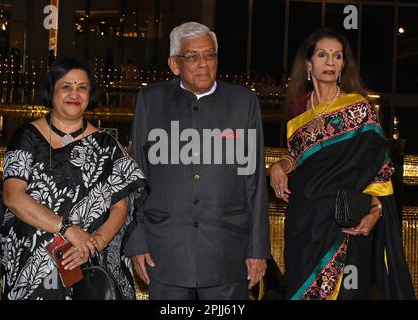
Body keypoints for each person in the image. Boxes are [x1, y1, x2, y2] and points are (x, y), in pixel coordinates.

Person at [126, 21, 271, 300]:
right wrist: (137, 240)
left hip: (227, 251)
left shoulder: (243, 102)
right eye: (192, 56)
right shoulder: (150, 100)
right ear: (174, 63)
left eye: (210, 55)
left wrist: (257, 249)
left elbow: (254, 182)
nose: (203, 64)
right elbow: (136, 177)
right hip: (164, 250)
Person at [270, 28, 415, 300]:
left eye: (337, 56)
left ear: (343, 64)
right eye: (322, 55)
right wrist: (280, 165)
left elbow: (379, 169)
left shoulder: (359, 109)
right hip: (304, 222)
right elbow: (298, 156)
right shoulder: (299, 112)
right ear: (309, 63)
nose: (330, 62)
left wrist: (375, 210)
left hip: (346, 223)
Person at [0, 57, 148, 300]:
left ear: (90, 94)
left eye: (82, 87)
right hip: (30, 264)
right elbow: (13, 196)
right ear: (52, 91)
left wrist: (93, 244)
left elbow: (120, 207)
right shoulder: (27, 136)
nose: (74, 94)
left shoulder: (107, 145)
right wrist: (68, 230)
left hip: (86, 264)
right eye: (66, 86)